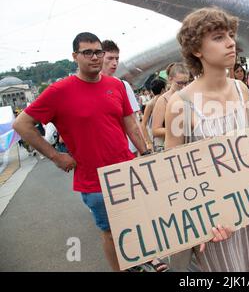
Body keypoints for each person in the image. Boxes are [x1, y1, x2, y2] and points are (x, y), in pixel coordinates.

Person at [12, 32, 153, 272]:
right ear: (75, 56)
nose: (95, 57)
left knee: (138, 224)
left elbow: (130, 123)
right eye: (87, 52)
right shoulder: (59, 91)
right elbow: (21, 124)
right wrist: (56, 157)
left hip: (127, 171)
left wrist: (147, 154)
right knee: (110, 233)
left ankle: (141, 262)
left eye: (98, 51)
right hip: (93, 180)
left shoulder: (116, 85)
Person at [165, 7, 249, 272]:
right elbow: (172, 173)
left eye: (231, 35)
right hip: (213, 223)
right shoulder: (180, 104)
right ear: (197, 50)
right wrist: (200, 223)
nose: (231, 42)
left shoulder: (241, 90)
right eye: (219, 37)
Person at [101, 40, 142, 155]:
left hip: (130, 148)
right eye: (110, 58)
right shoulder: (89, 87)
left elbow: (134, 120)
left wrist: (144, 149)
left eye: (117, 59)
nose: (114, 63)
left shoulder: (123, 85)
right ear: (99, 58)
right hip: (106, 151)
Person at [151, 63, 189, 152]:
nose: (183, 86)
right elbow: (155, 130)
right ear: (170, 79)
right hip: (170, 147)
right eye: (179, 83)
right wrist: (177, 130)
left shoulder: (188, 96)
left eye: (185, 83)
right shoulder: (163, 100)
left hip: (188, 144)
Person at [141, 78, 167, 152]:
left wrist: (149, 142)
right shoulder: (164, 101)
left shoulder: (150, 103)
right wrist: (149, 142)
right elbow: (143, 124)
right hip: (161, 138)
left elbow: (143, 124)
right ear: (163, 90)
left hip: (158, 140)